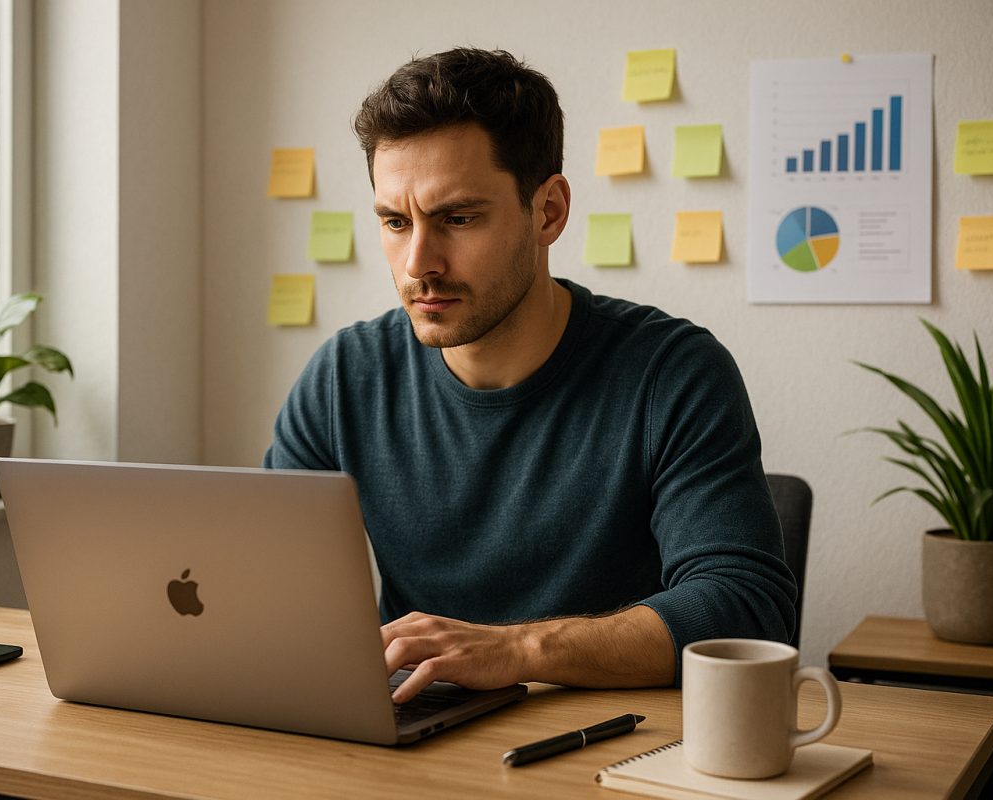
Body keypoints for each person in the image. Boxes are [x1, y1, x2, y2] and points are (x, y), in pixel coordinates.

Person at [263, 47, 795, 704]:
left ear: (548, 212)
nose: (418, 263)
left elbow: (747, 609)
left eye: (457, 218)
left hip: (608, 752)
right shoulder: (345, 378)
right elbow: (265, 586)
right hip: (408, 737)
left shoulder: (672, 373)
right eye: (396, 223)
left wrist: (516, 650)